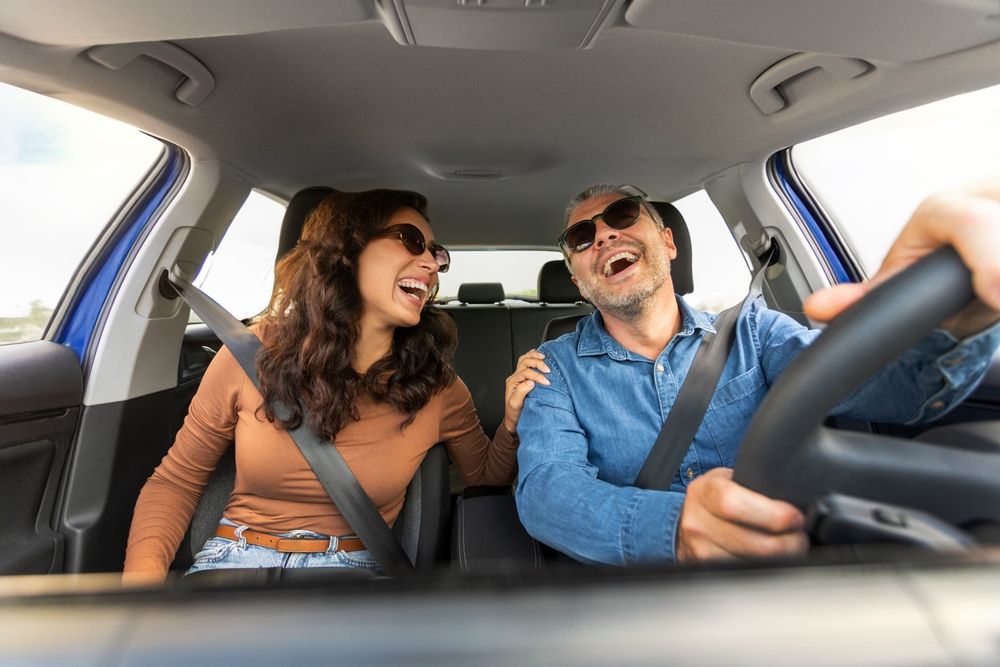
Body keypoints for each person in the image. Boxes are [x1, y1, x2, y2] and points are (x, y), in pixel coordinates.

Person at [515, 181, 1000, 565]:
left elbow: (891, 394)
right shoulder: (555, 367)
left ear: (668, 242)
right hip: (640, 594)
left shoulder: (756, 333)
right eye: (582, 238)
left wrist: (956, 320)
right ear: (578, 281)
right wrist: (676, 528)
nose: (603, 235)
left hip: (782, 573)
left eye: (621, 217)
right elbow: (547, 488)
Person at [124, 189, 547, 583]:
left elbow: (484, 477)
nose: (433, 264)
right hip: (234, 559)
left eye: (437, 254)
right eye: (411, 241)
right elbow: (175, 481)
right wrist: (141, 594)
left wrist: (511, 422)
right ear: (347, 249)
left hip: (353, 571)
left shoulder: (437, 385)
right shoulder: (250, 353)